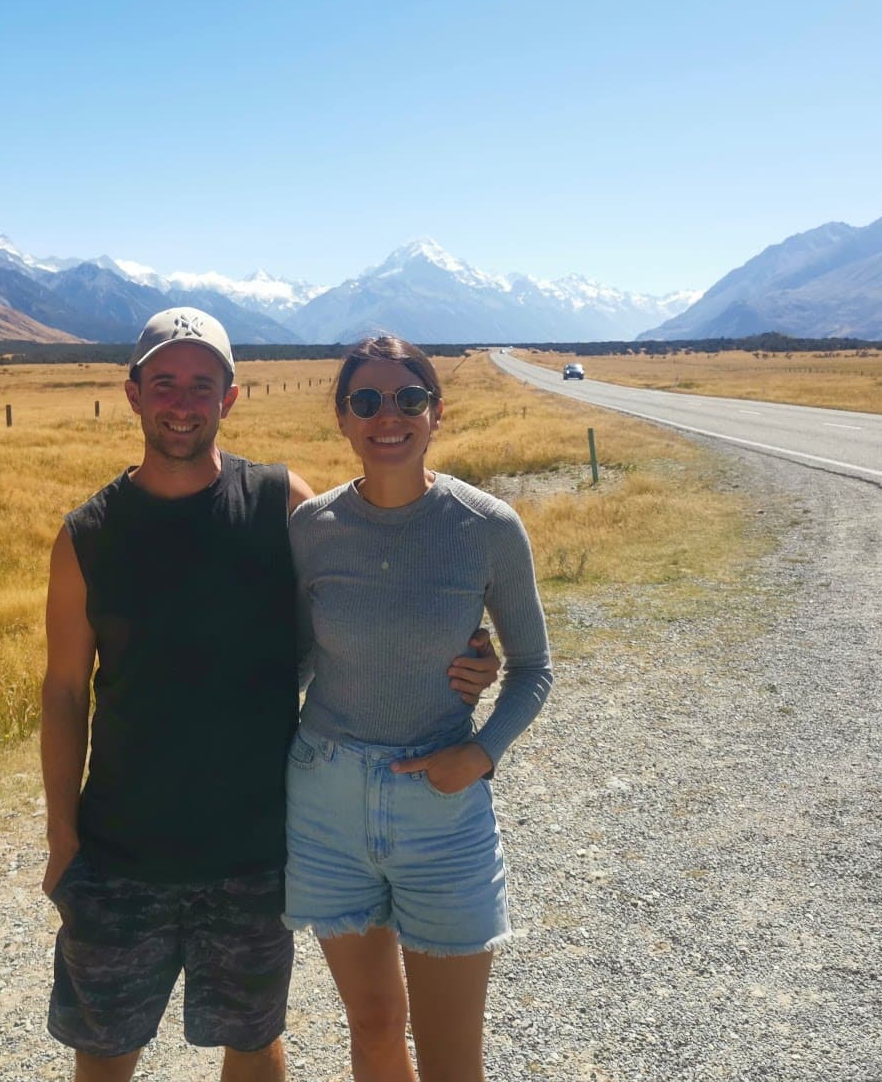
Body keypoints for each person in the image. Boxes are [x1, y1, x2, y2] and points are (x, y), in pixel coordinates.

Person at [40, 310, 500, 1082]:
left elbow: (364, 605)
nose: (181, 402)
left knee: (252, 1043)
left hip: (255, 847)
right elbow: (62, 692)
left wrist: (465, 652)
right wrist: (62, 838)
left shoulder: (280, 502)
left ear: (232, 397)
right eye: (164, 383)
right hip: (119, 850)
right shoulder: (87, 534)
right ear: (132, 394)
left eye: (201, 384)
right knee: (105, 1048)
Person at [284, 334, 553, 1082]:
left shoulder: (487, 527)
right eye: (366, 401)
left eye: (408, 398)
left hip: (442, 810)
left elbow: (534, 666)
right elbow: (301, 658)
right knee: (371, 1025)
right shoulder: (312, 530)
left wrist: (481, 753)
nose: (387, 416)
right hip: (326, 801)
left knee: (450, 1054)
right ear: (343, 418)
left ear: (437, 412)